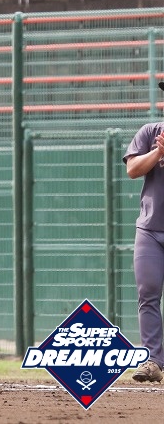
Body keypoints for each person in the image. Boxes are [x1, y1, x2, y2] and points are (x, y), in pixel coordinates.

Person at [123, 87, 164, 383]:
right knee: (147, 293)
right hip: (150, 230)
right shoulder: (150, 132)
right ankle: (153, 361)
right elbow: (133, 169)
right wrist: (159, 152)